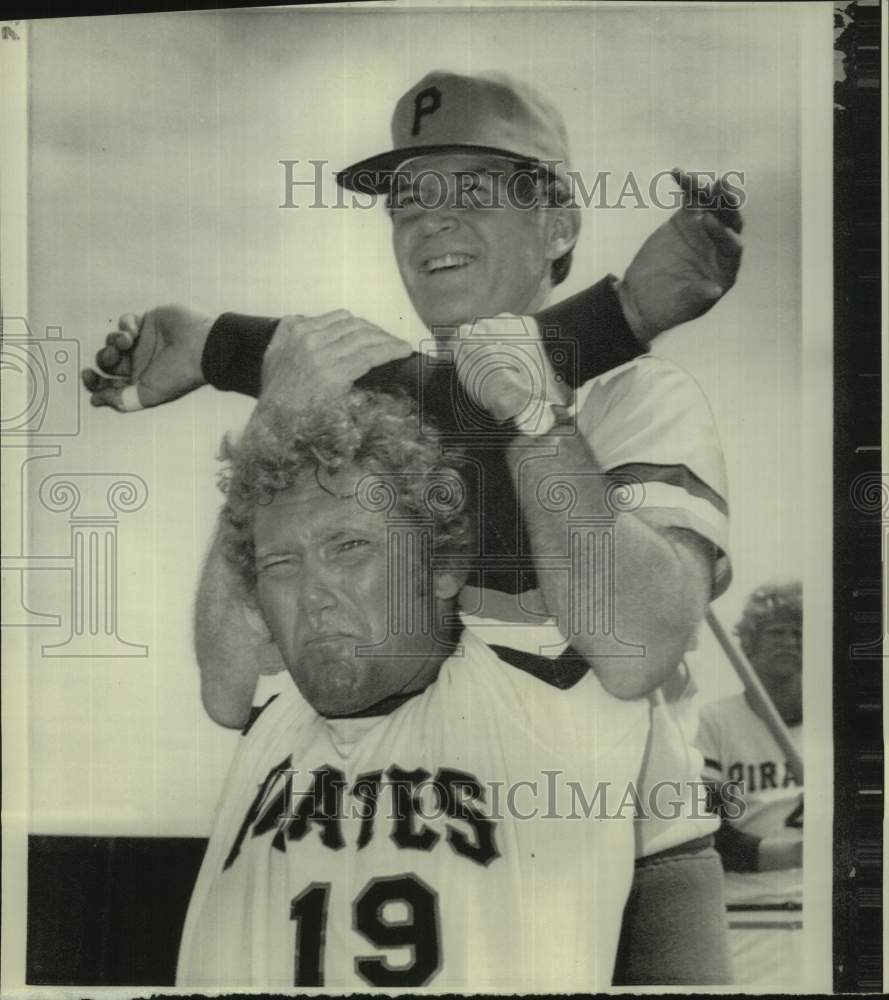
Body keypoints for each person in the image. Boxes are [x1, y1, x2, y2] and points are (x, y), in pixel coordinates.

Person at [83, 71, 740, 985]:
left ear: (556, 224)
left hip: (623, 856)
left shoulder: (637, 394)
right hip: (385, 835)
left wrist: (228, 348)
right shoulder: (345, 409)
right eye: (406, 204)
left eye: (470, 191)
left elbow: (628, 651)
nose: (428, 223)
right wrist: (238, 362)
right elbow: (234, 679)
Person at [175, 388, 652, 990]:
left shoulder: (540, 707)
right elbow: (223, 669)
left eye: (349, 548)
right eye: (282, 566)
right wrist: (274, 400)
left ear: (444, 567)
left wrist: (535, 415)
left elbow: (631, 623)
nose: (314, 593)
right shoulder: (271, 726)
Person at [695, 580, 804, 988]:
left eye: (799, 633)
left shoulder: (839, 725)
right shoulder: (714, 723)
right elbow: (715, 839)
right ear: (749, 645)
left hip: (821, 911)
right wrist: (800, 852)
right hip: (745, 913)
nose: (790, 641)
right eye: (777, 632)